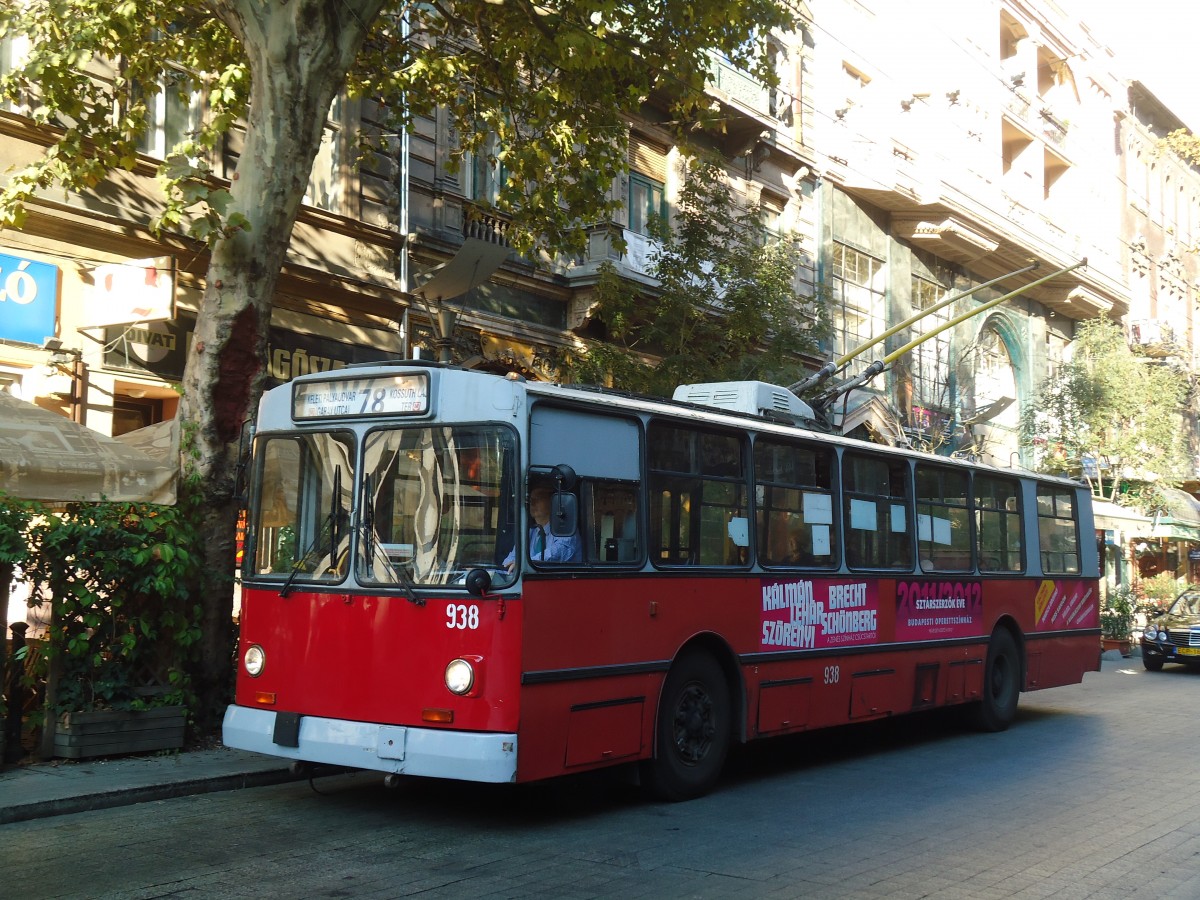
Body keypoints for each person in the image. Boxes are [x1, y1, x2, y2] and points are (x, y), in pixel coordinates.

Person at [505, 484, 581, 571]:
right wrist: (507, 567)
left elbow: (557, 554)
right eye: (530, 500)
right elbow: (512, 558)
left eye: (538, 499)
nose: (532, 503)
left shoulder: (566, 529)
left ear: (554, 502)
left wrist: (526, 563)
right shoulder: (529, 533)